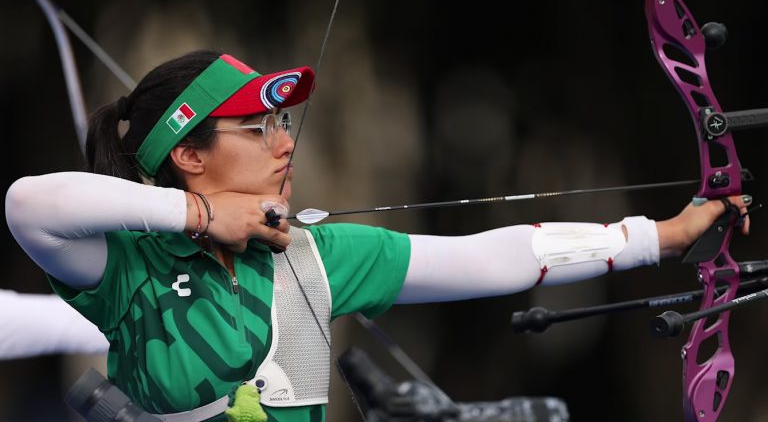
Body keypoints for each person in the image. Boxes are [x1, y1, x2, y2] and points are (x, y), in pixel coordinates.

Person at [4, 50, 751, 421]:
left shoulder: (313, 258)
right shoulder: (127, 264)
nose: (283, 143)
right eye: (255, 128)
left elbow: (492, 256)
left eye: (281, 123)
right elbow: (29, 204)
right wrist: (198, 217)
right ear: (189, 154)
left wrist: (660, 237)